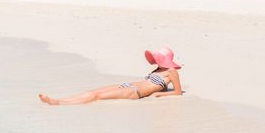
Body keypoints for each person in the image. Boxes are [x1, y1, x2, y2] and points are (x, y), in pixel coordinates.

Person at [38, 48, 183, 105]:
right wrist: (160, 89)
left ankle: (57, 103)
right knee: (91, 92)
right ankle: (60, 99)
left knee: (97, 97)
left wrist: (159, 94)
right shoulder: (158, 69)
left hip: (134, 92)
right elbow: (158, 84)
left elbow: (178, 92)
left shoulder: (171, 71)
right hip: (129, 85)